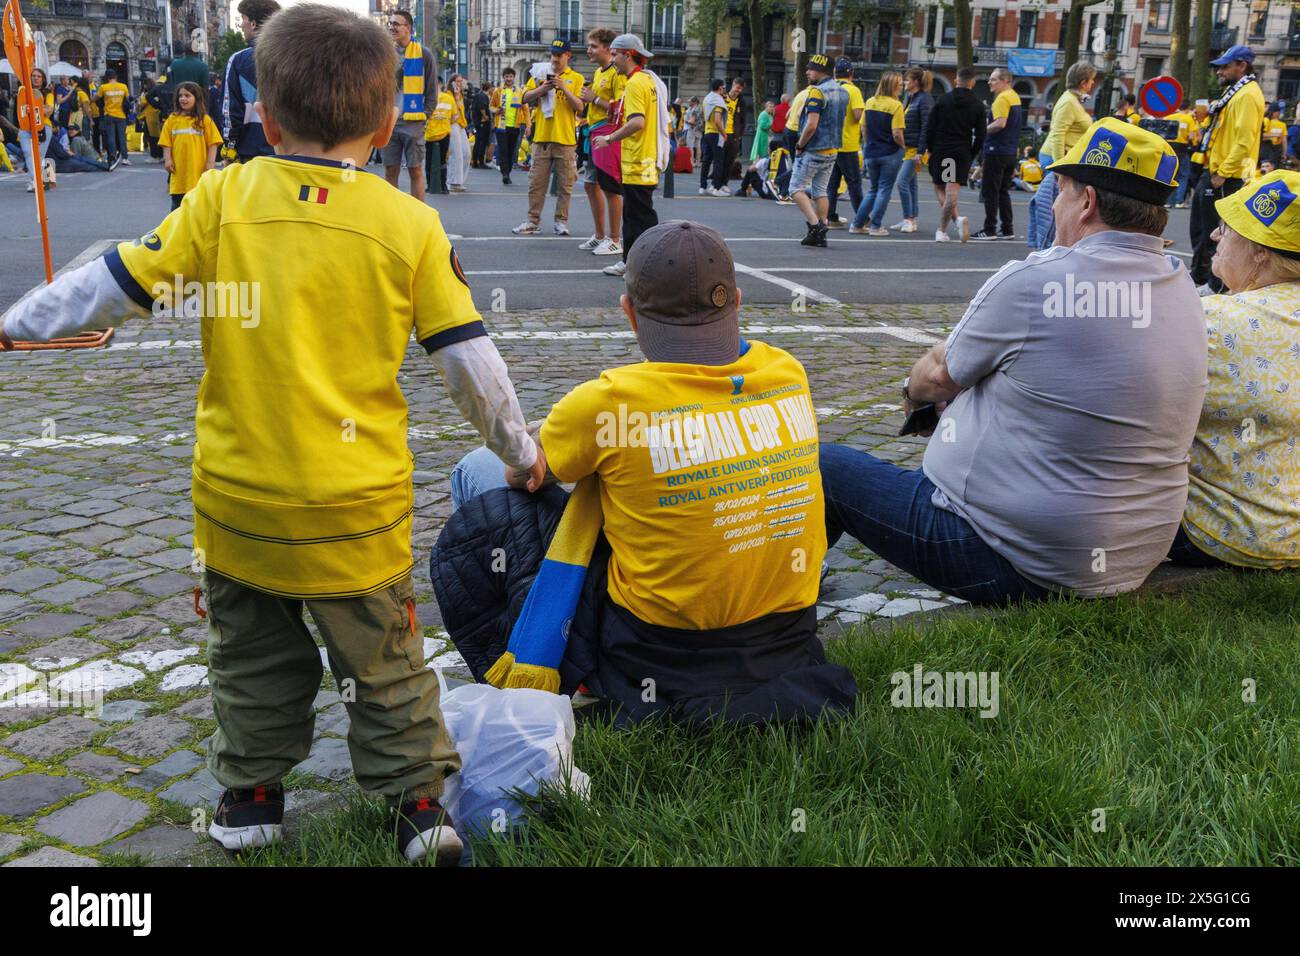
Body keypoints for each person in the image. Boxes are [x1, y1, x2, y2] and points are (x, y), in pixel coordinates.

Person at [1, 3, 543, 865]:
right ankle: (418, 810)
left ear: (266, 112)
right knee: (388, 662)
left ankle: (251, 799)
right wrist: (524, 456)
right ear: (385, 119)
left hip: (238, 503)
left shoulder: (223, 196)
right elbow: (472, 367)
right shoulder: (409, 226)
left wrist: (15, 324)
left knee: (250, 657)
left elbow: (111, 284)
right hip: (355, 511)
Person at [432, 220, 857, 727]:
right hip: (784, 637)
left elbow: (519, 472)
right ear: (737, 300)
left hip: (658, 654)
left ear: (629, 313)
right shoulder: (788, 371)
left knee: (476, 469)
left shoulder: (606, 402)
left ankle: (526, 650)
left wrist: (564, 442)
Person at [820, 119, 1205, 603]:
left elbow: (939, 376)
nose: (1052, 203)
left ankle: (783, 594)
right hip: (1135, 551)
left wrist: (911, 395)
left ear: (1087, 203)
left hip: (1017, 560)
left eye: (1059, 190)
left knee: (822, 465)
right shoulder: (1181, 284)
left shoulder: (1035, 280)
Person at [1172, 168, 1300, 569]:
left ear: (1261, 250)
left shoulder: (1207, 318)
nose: (1214, 236)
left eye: (1226, 229)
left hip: (1222, 533)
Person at [1190, 44, 1266, 294]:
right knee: (1201, 230)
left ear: (1242, 66)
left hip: (1226, 175)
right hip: (1215, 171)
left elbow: (1244, 140)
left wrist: (1223, 172)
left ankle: (1215, 285)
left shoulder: (1246, 95)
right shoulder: (1235, 94)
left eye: (1225, 66)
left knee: (1215, 233)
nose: (1219, 71)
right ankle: (1200, 278)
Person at [590, 33, 662, 278]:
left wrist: (609, 138)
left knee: (640, 217)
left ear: (628, 55)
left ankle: (648, 263)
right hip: (643, 160)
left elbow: (637, 122)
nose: (613, 59)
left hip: (638, 160)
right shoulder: (646, 80)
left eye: (615, 54)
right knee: (634, 216)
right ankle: (631, 262)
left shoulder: (635, 83)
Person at [513, 38, 585, 235]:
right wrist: (542, 88)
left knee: (565, 185)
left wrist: (563, 87)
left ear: (568, 56)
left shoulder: (576, 78)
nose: (555, 59)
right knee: (536, 183)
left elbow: (580, 107)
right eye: (553, 54)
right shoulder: (540, 73)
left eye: (559, 55)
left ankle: (561, 221)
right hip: (542, 139)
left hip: (566, 140)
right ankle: (532, 221)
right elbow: (524, 98)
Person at [1027, 60, 1097, 250]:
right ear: (1083, 82)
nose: (1092, 84)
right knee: (1058, 210)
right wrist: (1059, 168)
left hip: (1062, 158)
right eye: (1091, 81)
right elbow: (1058, 134)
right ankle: (1052, 248)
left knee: (1058, 209)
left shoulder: (1071, 100)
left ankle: (1054, 247)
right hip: (1058, 159)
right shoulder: (1069, 102)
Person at [790, 54, 847, 248]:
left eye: (811, 68)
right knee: (821, 190)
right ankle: (821, 230)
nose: (807, 71)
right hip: (833, 149)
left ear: (820, 70)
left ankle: (816, 226)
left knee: (795, 188)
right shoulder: (843, 91)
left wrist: (800, 145)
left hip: (814, 148)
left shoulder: (816, 92)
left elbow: (812, 125)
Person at [578, 28, 625, 258]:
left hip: (607, 134)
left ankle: (615, 239)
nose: (589, 50)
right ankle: (599, 235)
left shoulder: (617, 74)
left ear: (608, 48)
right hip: (593, 133)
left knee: (610, 188)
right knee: (590, 185)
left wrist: (593, 98)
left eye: (593, 46)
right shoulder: (598, 73)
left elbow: (620, 109)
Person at [381, 9, 436, 201]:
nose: (392, 27)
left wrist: (424, 116)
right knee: (390, 171)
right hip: (388, 121)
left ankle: (418, 218)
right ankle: (393, 216)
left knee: (416, 171)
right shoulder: (384, 54)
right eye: (390, 24)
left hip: (413, 122)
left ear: (409, 28)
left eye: (396, 24)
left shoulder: (424, 55)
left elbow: (431, 92)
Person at [924, 66, 982, 242]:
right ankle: (956, 219)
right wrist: (972, 155)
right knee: (950, 189)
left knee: (944, 190)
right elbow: (981, 136)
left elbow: (930, 127)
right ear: (973, 82)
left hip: (943, 149)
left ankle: (942, 230)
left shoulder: (943, 100)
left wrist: (930, 148)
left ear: (956, 80)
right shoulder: (978, 105)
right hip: (961, 150)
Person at [223, 0, 281, 163]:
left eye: (243, 19)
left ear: (254, 23)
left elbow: (231, 112)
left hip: (251, 152)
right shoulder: (295, 57)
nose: (241, 25)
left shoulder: (239, 60)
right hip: (288, 152)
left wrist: (229, 148)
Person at [850, 71, 905, 237]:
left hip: (872, 151)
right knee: (884, 190)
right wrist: (904, 146)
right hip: (890, 152)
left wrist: (868, 145)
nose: (902, 86)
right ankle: (875, 226)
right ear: (894, 86)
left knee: (873, 190)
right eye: (900, 84)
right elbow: (897, 133)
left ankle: (857, 224)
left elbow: (863, 127)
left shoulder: (870, 102)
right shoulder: (896, 105)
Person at [972, 67, 1022, 240]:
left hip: (997, 150)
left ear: (1005, 81)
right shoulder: (1014, 97)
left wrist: (982, 131)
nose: (989, 82)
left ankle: (989, 229)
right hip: (1010, 151)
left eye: (993, 79)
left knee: (990, 191)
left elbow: (1000, 123)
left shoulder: (1001, 98)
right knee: (1003, 191)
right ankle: (1007, 229)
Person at [160, 81, 222, 210]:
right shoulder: (172, 119)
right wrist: (167, 159)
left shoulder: (204, 120)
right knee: (177, 209)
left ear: (196, 98)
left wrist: (210, 163)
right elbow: (166, 142)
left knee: (198, 209)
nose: (183, 98)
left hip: (198, 174)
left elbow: (213, 143)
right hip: (179, 175)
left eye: (187, 95)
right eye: (180, 95)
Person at [891, 66, 933, 234]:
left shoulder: (924, 100)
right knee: (911, 184)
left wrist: (921, 151)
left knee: (902, 182)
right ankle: (911, 219)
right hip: (910, 147)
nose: (904, 82)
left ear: (916, 82)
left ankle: (909, 219)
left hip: (916, 149)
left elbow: (926, 127)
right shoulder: (913, 98)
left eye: (907, 80)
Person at [825, 59, 865, 229]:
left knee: (832, 183)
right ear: (851, 74)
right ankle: (862, 218)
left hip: (830, 143)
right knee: (854, 182)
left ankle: (830, 217)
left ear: (834, 73)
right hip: (848, 143)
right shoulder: (853, 90)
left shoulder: (828, 89)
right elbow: (858, 116)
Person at [16, 69, 56, 193]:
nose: (35, 78)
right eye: (33, 76)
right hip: (25, 126)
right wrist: (38, 108)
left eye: (38, 76)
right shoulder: (23, 91)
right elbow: (20, 109)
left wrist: (32, 109)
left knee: (39, 155)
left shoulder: (48, 93)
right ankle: (36, 181)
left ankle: (42, 179)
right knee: (28, 152)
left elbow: (49, 110)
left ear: (43, 79)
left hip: (43, 126)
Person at [491, 67, 526, 185]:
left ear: (514, 77)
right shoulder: (498, 91)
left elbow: (525, 109)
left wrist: (528, 125)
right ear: (503, 78)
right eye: (506, 76)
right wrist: (496, 111)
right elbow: (491, 106)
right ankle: (504, 173)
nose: (509, 79)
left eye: (510, 76)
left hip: (515, 126)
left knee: (512, 151)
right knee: (503, 150)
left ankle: (508, 171)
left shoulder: (519, 91)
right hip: (501, 125)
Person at [699, 78, 728, 195]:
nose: (725, 90)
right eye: (724, 88)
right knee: (718, 161)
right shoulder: (718, 101)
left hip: (707, 132)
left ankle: (702, 186)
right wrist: (724, 133)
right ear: (720, 87)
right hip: (716, 133)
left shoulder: (707, 98)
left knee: (706, 160)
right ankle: (716, 188)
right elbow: (717, 119)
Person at [423, 76, 453, 193]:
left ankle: (430, 184)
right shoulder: (449, 99)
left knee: (429, 160)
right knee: (443, 161)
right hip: (444, 133)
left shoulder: (426, 98)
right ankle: (443, 185)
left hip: (430, 133)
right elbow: (454, 117)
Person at [97, 68, 131, 165]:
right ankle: (125, 158)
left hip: (109, 115)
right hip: (121, 116)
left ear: (107, 78)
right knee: (122, 137)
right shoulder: (123, 86)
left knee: (111, 137)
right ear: (115, 76)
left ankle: (112, 156)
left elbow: (97, 98)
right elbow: (127, 99)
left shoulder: (103, 87)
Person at [445, 72, 471, 192]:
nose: (461, 83)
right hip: (452, 124)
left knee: (466, 153)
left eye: (461, 81)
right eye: (458, 81)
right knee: (456, 153)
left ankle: (460, 180)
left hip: (461, 124)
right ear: (453, 82)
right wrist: (455, 97)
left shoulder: (460, 95)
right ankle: (453, 181)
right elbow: (453, 111)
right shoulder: (449, 95)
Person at [722, 76, 746, 186]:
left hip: (733, 134)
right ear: (733, 84)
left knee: (729, 161)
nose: (738, 91)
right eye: (737, 88)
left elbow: (743, 119)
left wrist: (740, 135)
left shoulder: (741, 101)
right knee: (719, 160)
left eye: (741, 89)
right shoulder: (722, 97)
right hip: (721, 132)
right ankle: (716, 184)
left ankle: (724, 183)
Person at [470, 81, 492, 168]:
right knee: (482, 142)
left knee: (478, 141)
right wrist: (486, 116)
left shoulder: (479, 95)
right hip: (482, 122)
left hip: (477, 121)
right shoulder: (483, 96)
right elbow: (482, 107)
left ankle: (476, 161)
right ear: (489, 88)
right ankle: (480, 161)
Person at [1260, 103, 1287, 170]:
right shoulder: (1266, 121)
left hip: (1270, 150)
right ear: (1276, 112)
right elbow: (1261, 135)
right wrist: (1284, 154)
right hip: (1267, 149)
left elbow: (1284, 140)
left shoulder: (1267, 120)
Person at [684, 95, 702, 165]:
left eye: (690, 101)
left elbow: (692, 121)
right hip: (699, 129)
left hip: (692, 129)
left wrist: (686, 121)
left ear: (694, 102)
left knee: (690, 146)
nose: (689, 103)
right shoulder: (700, 109)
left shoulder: (693, 110)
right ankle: (698, 162)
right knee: (698, 146)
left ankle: (691, 162)